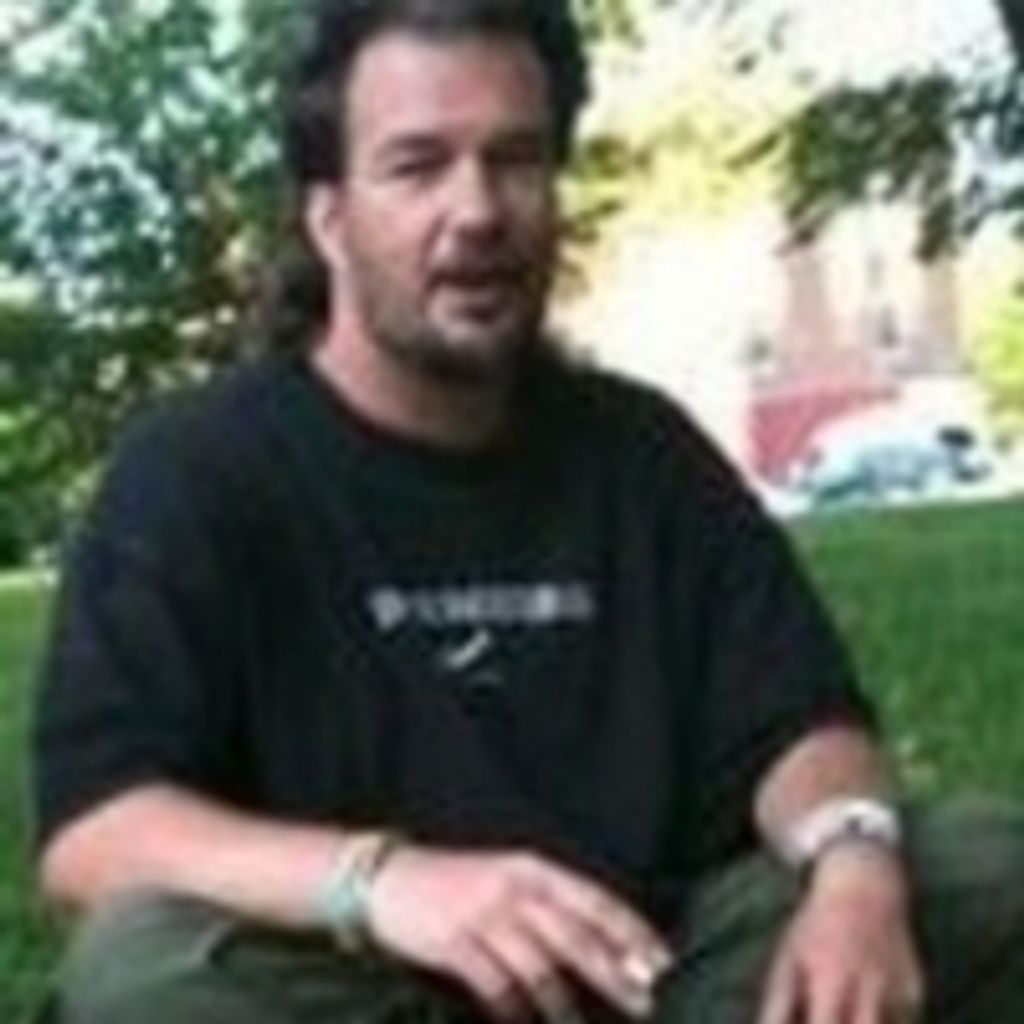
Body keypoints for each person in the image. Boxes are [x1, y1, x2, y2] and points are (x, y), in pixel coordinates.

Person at [31, 2, 1024, 1023]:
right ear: (329, 219)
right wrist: (383, 881)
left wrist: (855, 868)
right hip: (357, 991)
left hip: (652, 980)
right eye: (418, 166)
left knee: (983, 871)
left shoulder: (645, 453)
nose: (478, 209)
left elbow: (802, 722)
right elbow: (97, 832)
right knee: (144, 968)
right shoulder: (197, 469)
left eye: (515, 160)